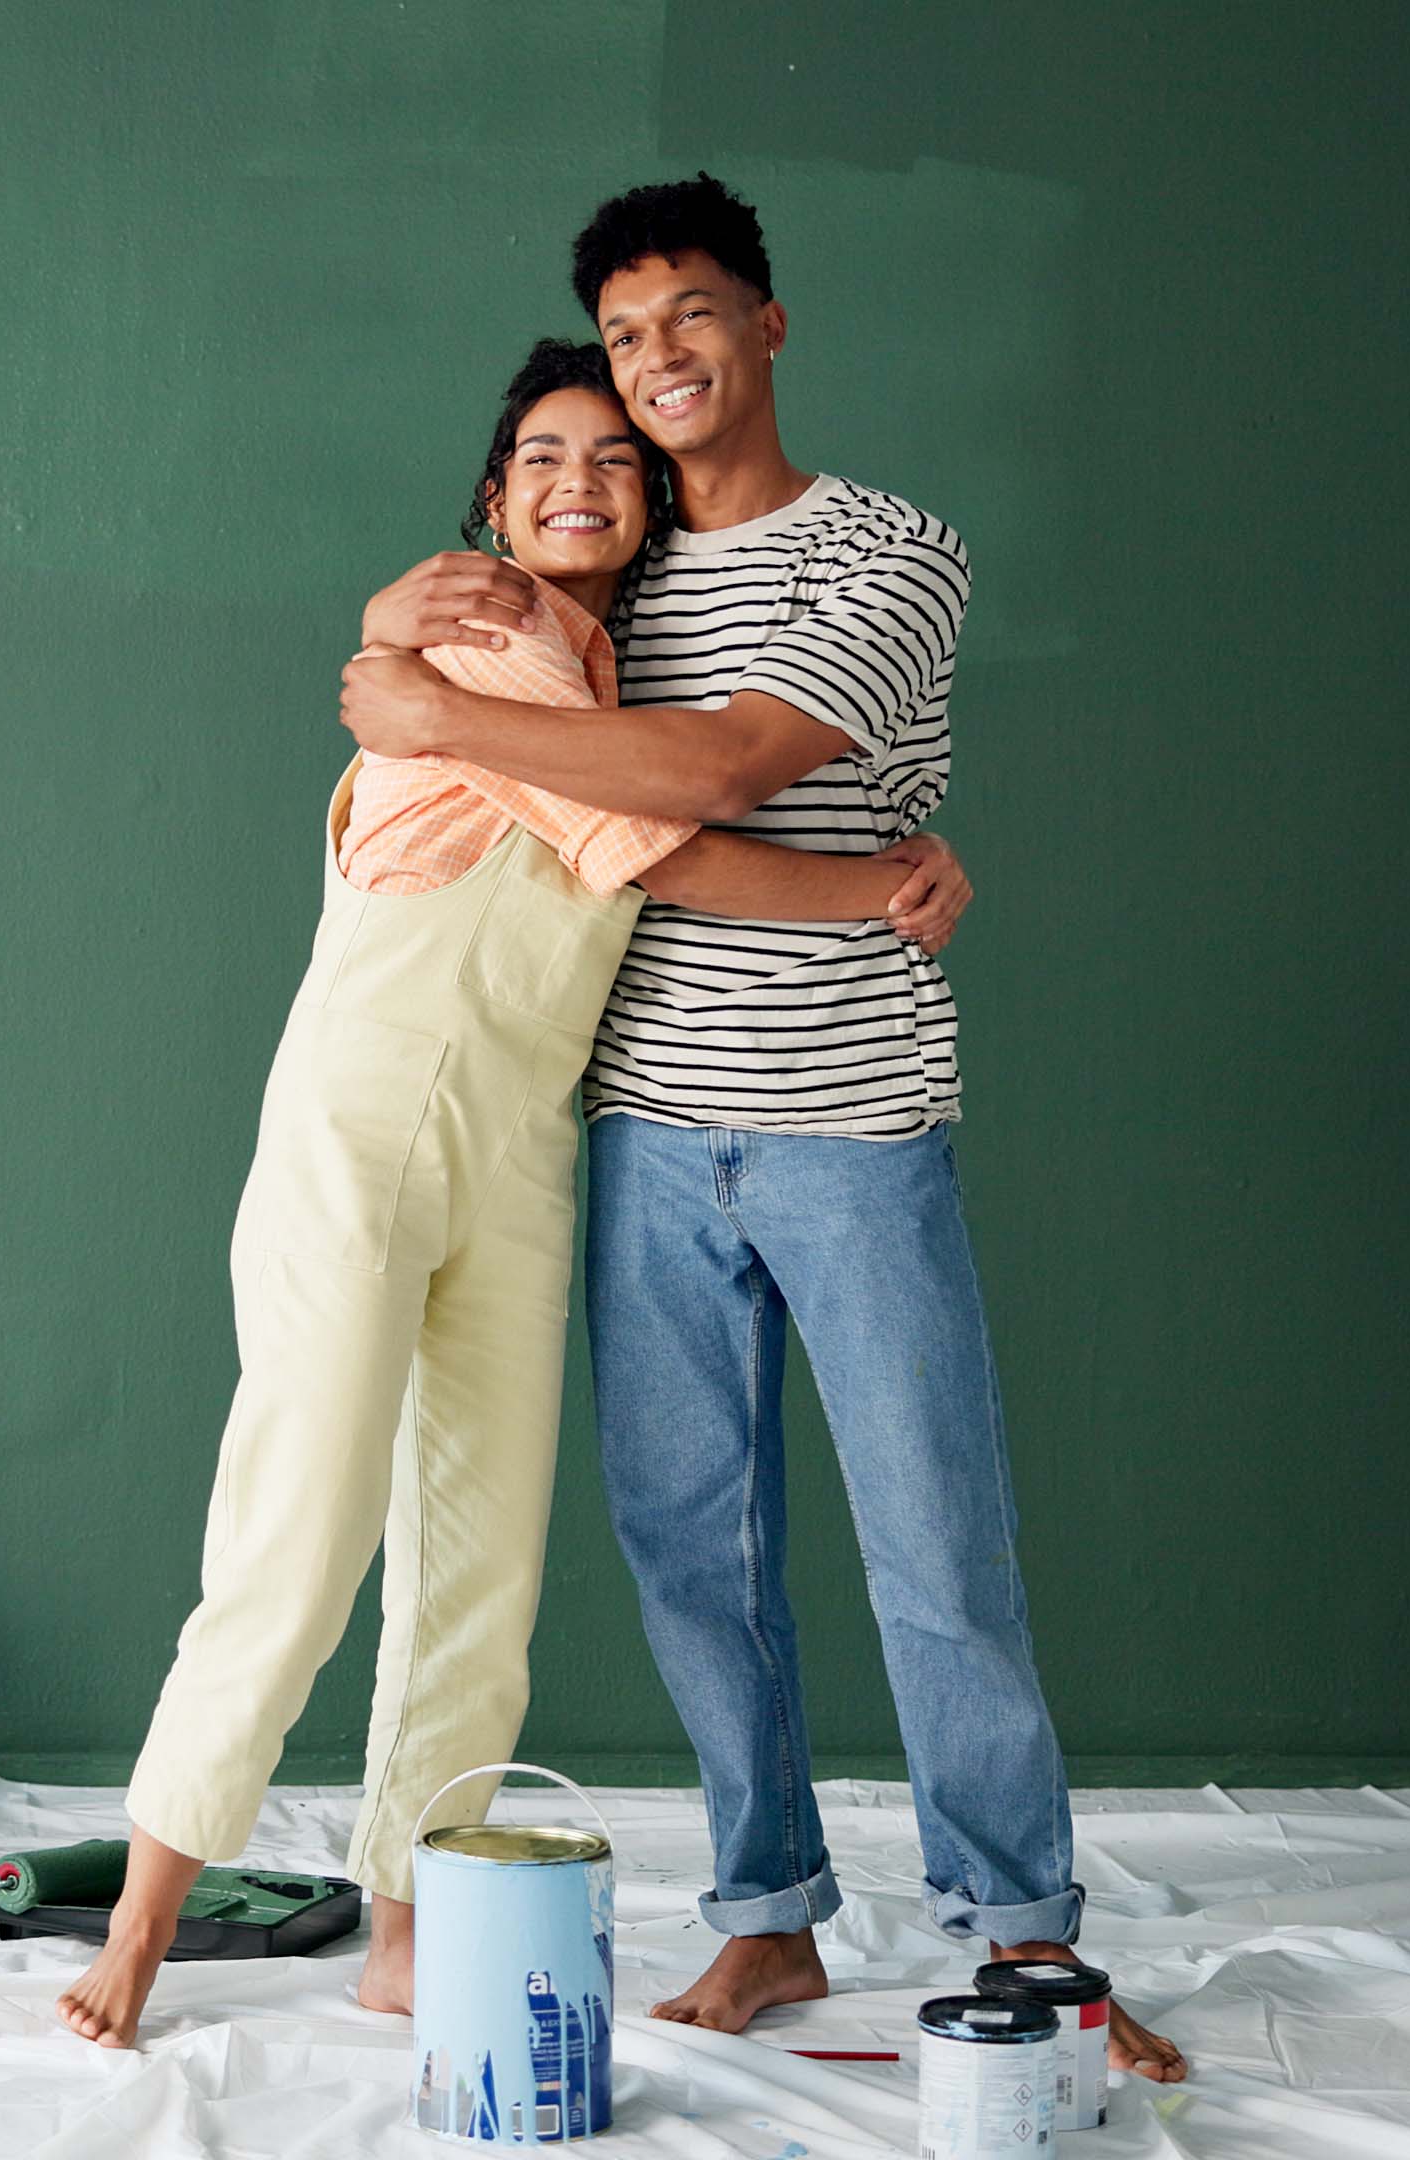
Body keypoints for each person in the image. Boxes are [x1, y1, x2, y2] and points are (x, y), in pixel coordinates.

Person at [336, 175, 1189, 2083]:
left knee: (936, 1545)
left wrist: (440, 720)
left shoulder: (888, 551)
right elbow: (448, 626)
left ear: (769, 325)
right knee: (688, 1552)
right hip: (638, 1122)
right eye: (628, 336)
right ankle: (769, 1918)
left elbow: (713, 768)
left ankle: (1026, 1937)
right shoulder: (613, 559)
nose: (660, 362)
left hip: (851, 1117)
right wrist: (394, 637)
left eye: (694, 318)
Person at [56, 339, 974, 2048]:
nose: (581, 481)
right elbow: (669, 847)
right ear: (494, 503)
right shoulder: (484, 650)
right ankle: (140, 1922)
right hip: (364, 1125)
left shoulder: (607, 673)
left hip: (524, 1147)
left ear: (649, 510)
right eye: (544, 455)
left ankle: (406, 1934)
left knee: (481, 1563)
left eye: (616, 461)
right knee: (300, 1531)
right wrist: (887, 888)